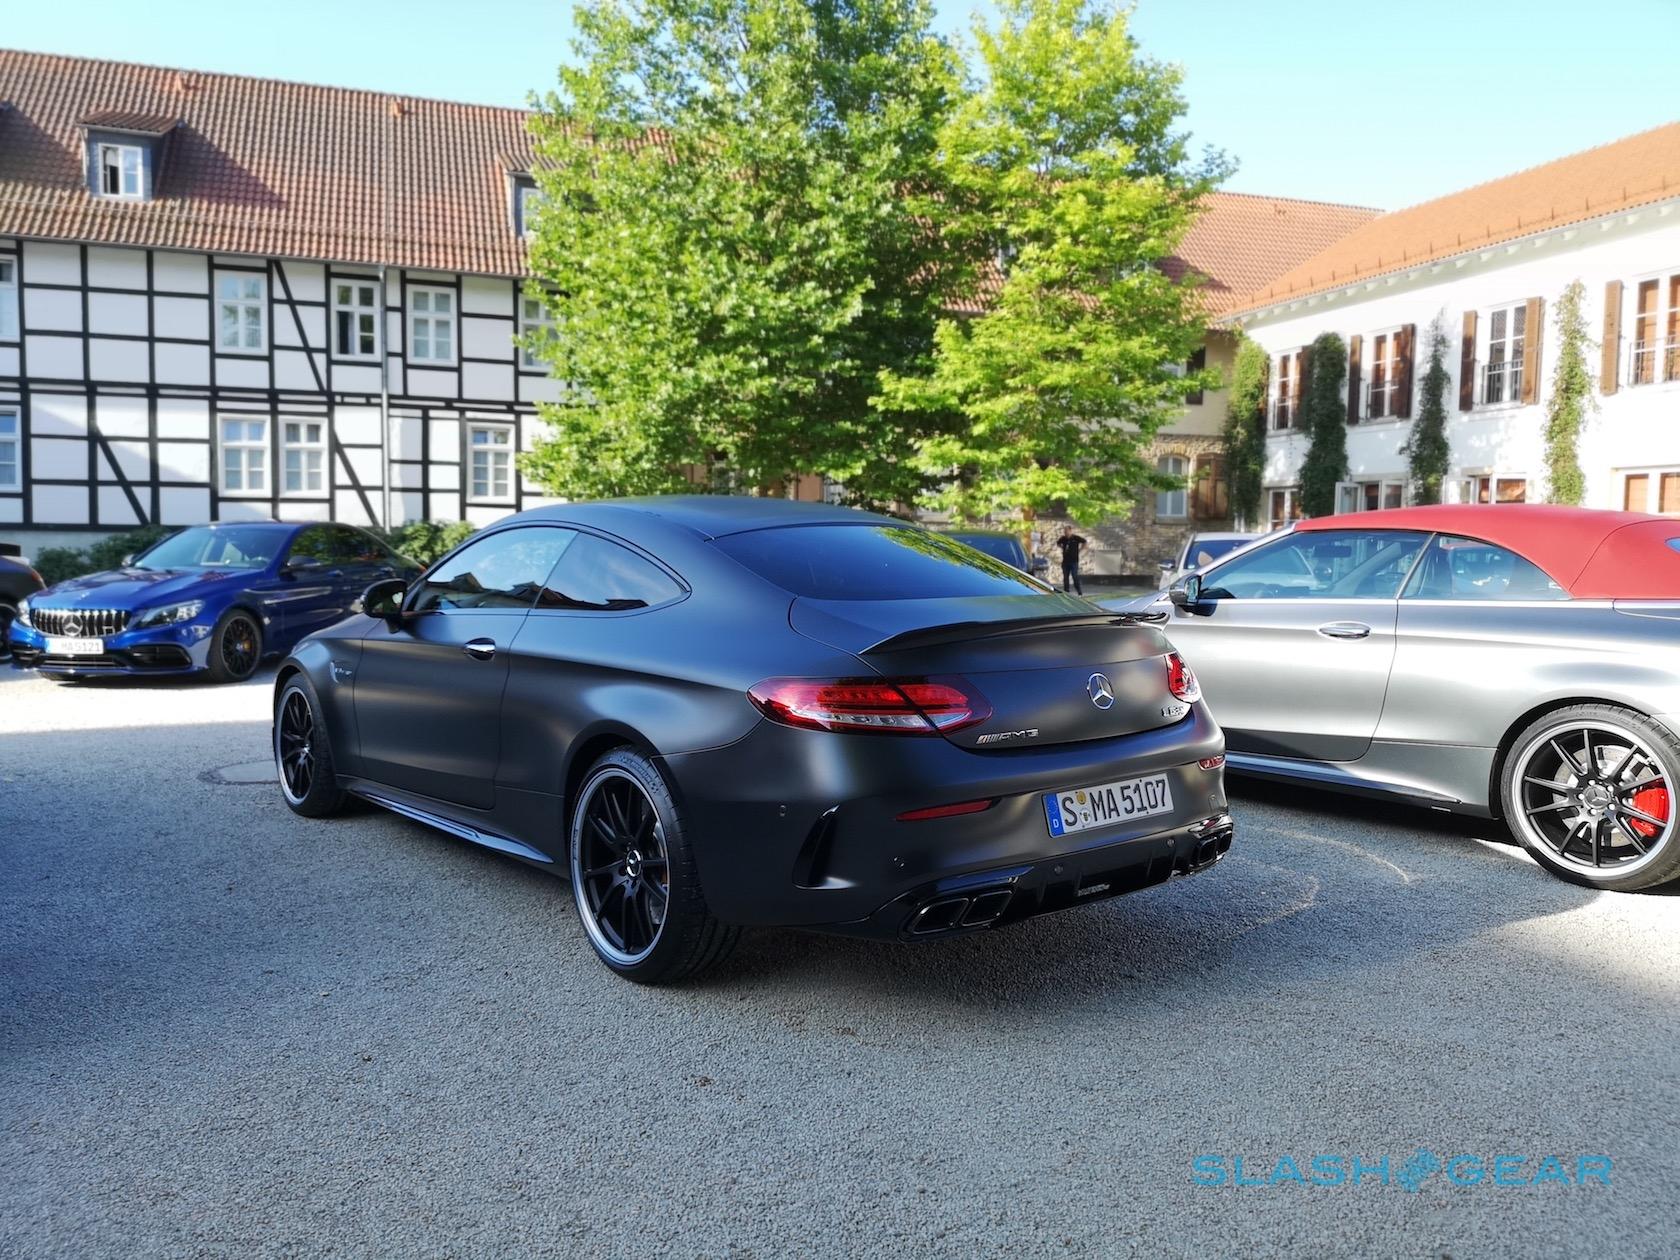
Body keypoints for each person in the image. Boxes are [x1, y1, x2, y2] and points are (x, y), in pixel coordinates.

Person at [1056, 526, 1086, 595]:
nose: (1065, 532)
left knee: (1074, 576)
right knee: (1065, 578)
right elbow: (1058, 543)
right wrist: (1062, 548)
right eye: (1064, 531)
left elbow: (1084, 542)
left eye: (1066, 531)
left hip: (1074, 561)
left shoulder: (1075, 538)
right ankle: (1066, 592)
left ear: (1070, 531)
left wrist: (1080, 549)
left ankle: (1079, 591)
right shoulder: (1063, 538)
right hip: (1065, 562)